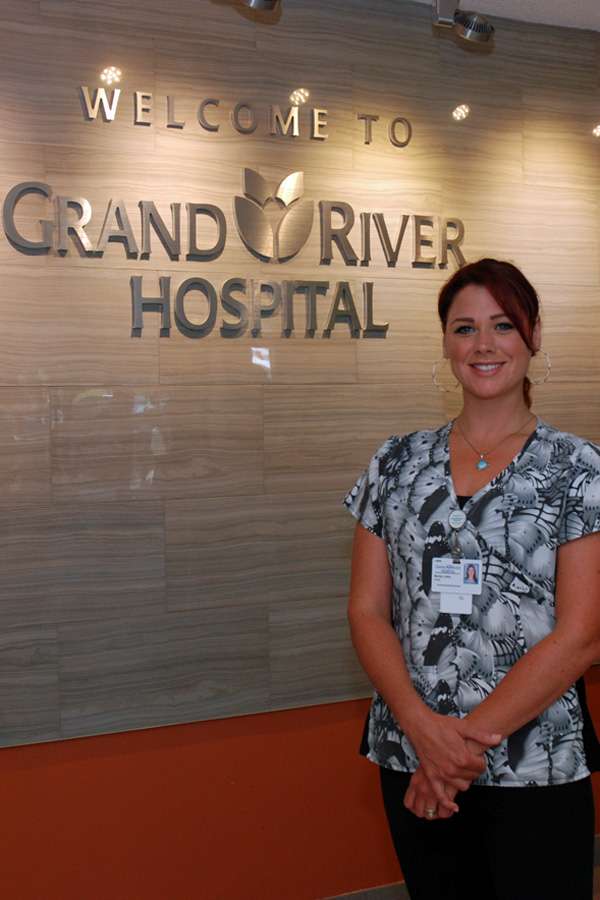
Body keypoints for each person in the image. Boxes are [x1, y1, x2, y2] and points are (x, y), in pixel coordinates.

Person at [345, 258, 600, 900]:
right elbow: (367, 611)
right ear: (445, 342)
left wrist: (456, 752)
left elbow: (583, 636)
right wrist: (424, 732)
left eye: (502, 326)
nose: (483, 345)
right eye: (464, 328)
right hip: (411, 757)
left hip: (535, 763)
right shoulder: (396, 462)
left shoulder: (578, 469)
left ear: (534, 335)